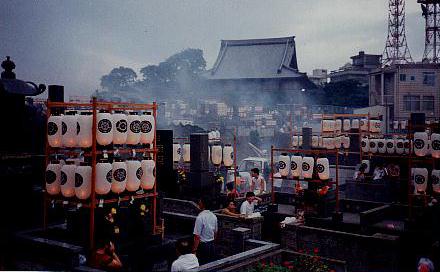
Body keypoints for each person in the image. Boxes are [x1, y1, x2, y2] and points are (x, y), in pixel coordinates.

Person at [192, 196, 218, 265]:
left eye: (200, 202)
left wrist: (194, 250)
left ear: (203, 204)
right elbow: (215, 233)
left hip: (203, 246)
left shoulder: (200, 217)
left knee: (203, 265)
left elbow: (197, 236)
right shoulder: (213, 216)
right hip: (211, 244)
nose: (198, 203)